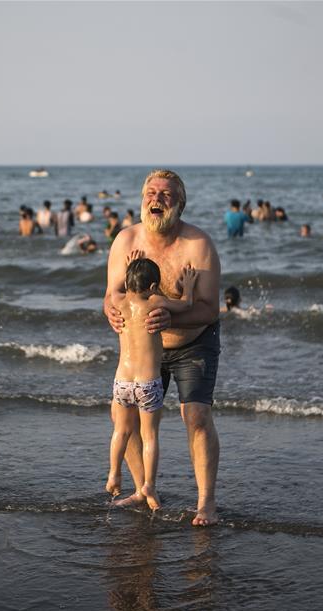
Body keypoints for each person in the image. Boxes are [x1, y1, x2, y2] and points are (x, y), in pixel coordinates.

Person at [104, 169, 222, 526]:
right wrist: (110, 310)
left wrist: (172, 321)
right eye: (150, 192)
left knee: (196, 417)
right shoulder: (125, 241)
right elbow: (111, 295)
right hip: (141, 353)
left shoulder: (198, 246)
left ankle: (206, 504)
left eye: (166, 194)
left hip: (192, 343)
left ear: (180, 205)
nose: (156, 198)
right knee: (124, 420)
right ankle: (143, 489)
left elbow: (209, 309)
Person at [107, 254, 199, 510]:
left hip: (121, 382)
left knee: (121, 431)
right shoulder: (155, 301)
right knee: (150, 436)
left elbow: (116, 288)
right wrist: (189, 286)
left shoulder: (118, 302)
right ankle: (148, 484)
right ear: (152, 287)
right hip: (147, 383)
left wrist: (128, 268)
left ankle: (114, 473)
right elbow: (186, 305)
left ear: (127, 282)